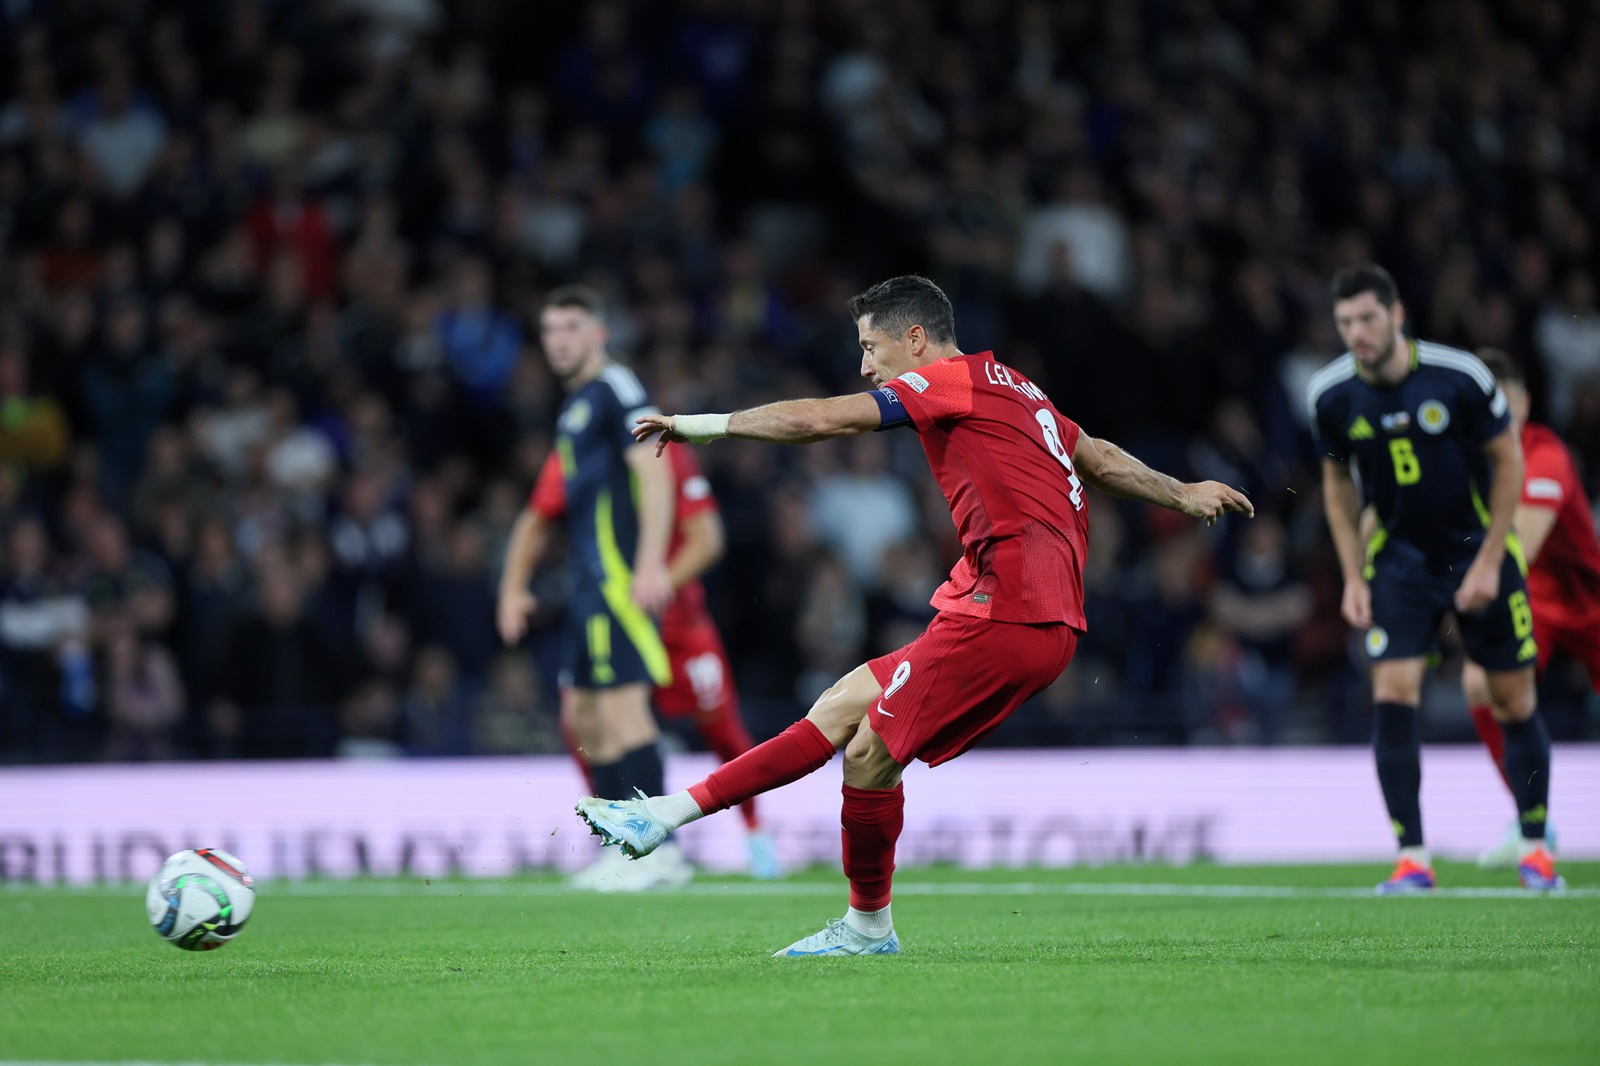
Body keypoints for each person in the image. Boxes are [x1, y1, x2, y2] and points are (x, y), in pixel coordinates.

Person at [577, 275, 1252, 955]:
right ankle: (668, 818)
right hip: (1014, 608)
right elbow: (1098, 458)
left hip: (1011, 613)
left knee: (867, 753)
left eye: (872, 347)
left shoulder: (949, 382)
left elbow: (822, 419)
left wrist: (701, 425)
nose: (866, 366)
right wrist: (1184, 493)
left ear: (916, 338)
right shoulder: (1017, 386)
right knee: (843, 706)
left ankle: (854, 921)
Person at [1307, 264, 1562, 894]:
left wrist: (1489, 559)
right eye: (1345, 323)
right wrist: (1351, 576)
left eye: (1367, 318)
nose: (1356, 334)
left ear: (1396, 316)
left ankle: (1536, 846)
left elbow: (1509, 463)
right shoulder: (1331, 396)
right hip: (1399, 561)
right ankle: (1413, 858)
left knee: (1513, 700)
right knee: (1392, 696)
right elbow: (1337, 485)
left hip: (1478, 549)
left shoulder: (1460, 377)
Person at [500, 439, 783, 880]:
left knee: (723, 732)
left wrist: (654, 591)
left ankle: (753, 833)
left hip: (679, 627)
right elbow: (538, 515)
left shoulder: (664, 453)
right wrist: (513, 587)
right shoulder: (577, 449)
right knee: (583, 720)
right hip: (612, 619)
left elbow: (707, 539)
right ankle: (623, 838)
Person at [501, 284, 689, 891]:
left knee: (622, 709)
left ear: (598, 333)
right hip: (585, 582)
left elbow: (653, 467)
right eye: (550, 331)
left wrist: (651, 561)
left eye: (571, 328)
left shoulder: (616, 389)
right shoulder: (577, 405)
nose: (560, 341)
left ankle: (659, 849)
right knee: (584, 715)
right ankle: (624, 845)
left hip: (615, 579)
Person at [1464, 351, 1600, 869]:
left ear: (1525, 404)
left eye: (1505, 400)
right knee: (1480, 684)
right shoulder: (1468, 460)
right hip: (1531, 594)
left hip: (1585, 597)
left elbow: (1522, 542)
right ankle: (1530, 820)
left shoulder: (1546, 455)